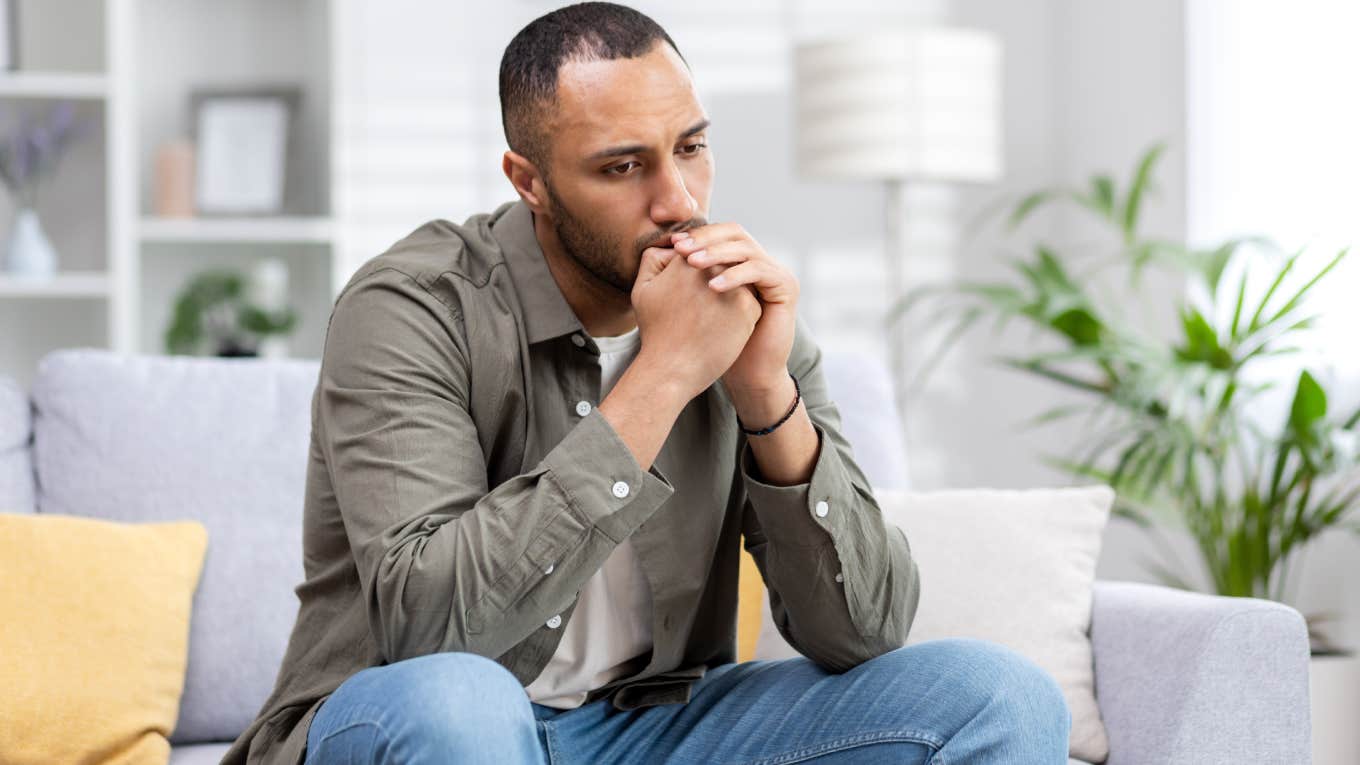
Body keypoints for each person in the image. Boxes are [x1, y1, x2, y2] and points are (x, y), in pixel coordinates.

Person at [221, 3, 1072, 763]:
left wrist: (766, 393)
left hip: (658, 725)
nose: (678, 200)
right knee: (464, 703)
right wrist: (665, 372)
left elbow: (866, 632)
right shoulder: (412, 305)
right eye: (622, 167)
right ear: (529, 181)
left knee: (1001, 697)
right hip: (419, 717)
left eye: (692, 148)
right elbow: (434, 628)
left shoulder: (744, 312)